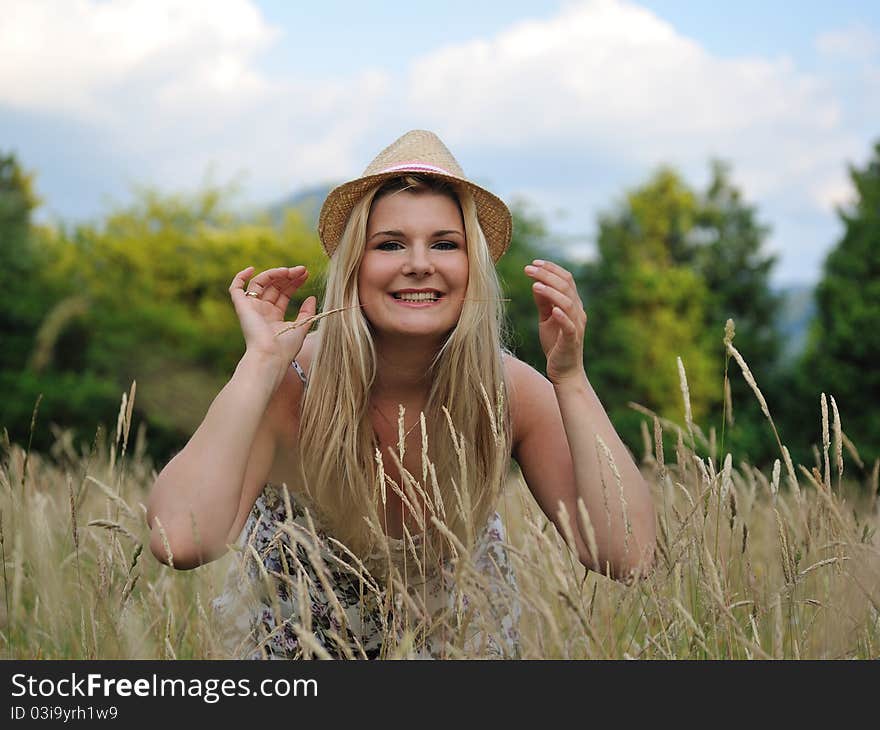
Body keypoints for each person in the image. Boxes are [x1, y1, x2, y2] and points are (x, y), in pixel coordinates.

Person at [146, 129, 656, 659]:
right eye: (390, 244)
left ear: (472, 269)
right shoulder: (291, 382)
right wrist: (258, 365)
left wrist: (570, 377)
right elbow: (178, 540)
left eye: (444, 244)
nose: (419, 263)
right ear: (355, 267)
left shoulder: (506, 390)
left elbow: (630, 556)